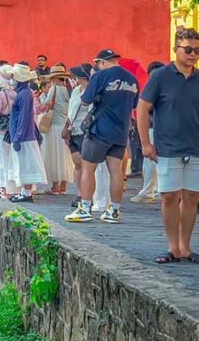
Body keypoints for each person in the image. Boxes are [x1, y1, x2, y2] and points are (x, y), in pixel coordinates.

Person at [137, 29, 199, 264]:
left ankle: (185, 247)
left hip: (195, 147)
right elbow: (143, 108)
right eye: (188, 49)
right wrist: (145, 143)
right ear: (176, 49)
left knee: (191, 198)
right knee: (169, 197)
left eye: (197, 50)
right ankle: (173, 247)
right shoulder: (161, 76)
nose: (193, 54)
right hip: (168, 147)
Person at [65, 49, 139, 224]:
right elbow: (134, 104)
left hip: (99, 130)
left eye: (97, 63)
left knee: (87, 168)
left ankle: (84, 208)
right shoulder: (132, 79)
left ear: (102, 62)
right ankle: (113, 210)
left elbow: (85, 100)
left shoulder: (100, 76)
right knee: (116, 172)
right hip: (121, 132)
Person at [8, 63, 48, 202]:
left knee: (26, 164)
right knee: (24, 164)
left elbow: (24, 116)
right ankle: (25, 191)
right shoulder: (24, 93)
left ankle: (27, 192)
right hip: (23, 134)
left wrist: (18, 137)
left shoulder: (24, 94)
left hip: (24, 136)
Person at [130, 60, 164, 204]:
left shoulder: (153, 88)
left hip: (155, 127)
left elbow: (145, 108)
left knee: (151, 162)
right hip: (158, 127)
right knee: (159, 161)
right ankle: (158, 189)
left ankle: (149, 191)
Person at [39, 65, 75, 195]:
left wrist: (40, 101)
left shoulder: (53, 90)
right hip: (65, 126)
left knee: (54, 157)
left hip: (54, 126)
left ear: (54, 78)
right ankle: (63, 186)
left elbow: (47, 106)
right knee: (65, 156)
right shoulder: (69, 91)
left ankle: (55, 187)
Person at [65, 64, 93, 209]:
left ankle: (88, 195)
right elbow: (71, 109)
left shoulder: (91, 91)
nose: (75, 77)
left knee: (86, 165)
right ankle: (80, 193)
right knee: (77, 164)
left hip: (84, 131)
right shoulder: (76, 90)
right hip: (72, 130)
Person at [0, 64, 18, 199]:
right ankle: (15, 188)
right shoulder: (16, 94)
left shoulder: (0, 95)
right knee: (12, 160)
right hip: (12, 129)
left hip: (1, 130)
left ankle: (4, 189)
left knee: (2, 161)